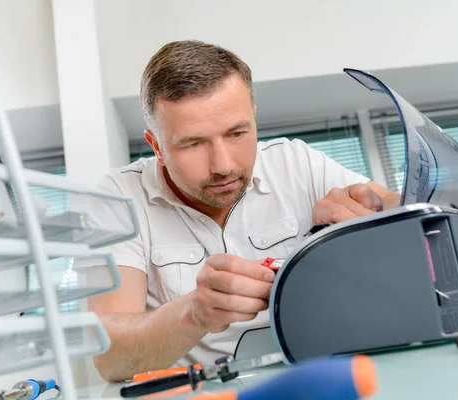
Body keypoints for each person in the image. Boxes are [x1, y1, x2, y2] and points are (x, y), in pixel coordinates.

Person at [88, 40, 400, 382]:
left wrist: (373, 211)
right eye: (193, 143)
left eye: (237, 133)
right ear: (157, 146)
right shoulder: (117, 198)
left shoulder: (296, 162)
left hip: (319, 376)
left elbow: (409, 209)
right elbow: (108, 359)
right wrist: (195, 313)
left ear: (253, 116)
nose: (222, 166)